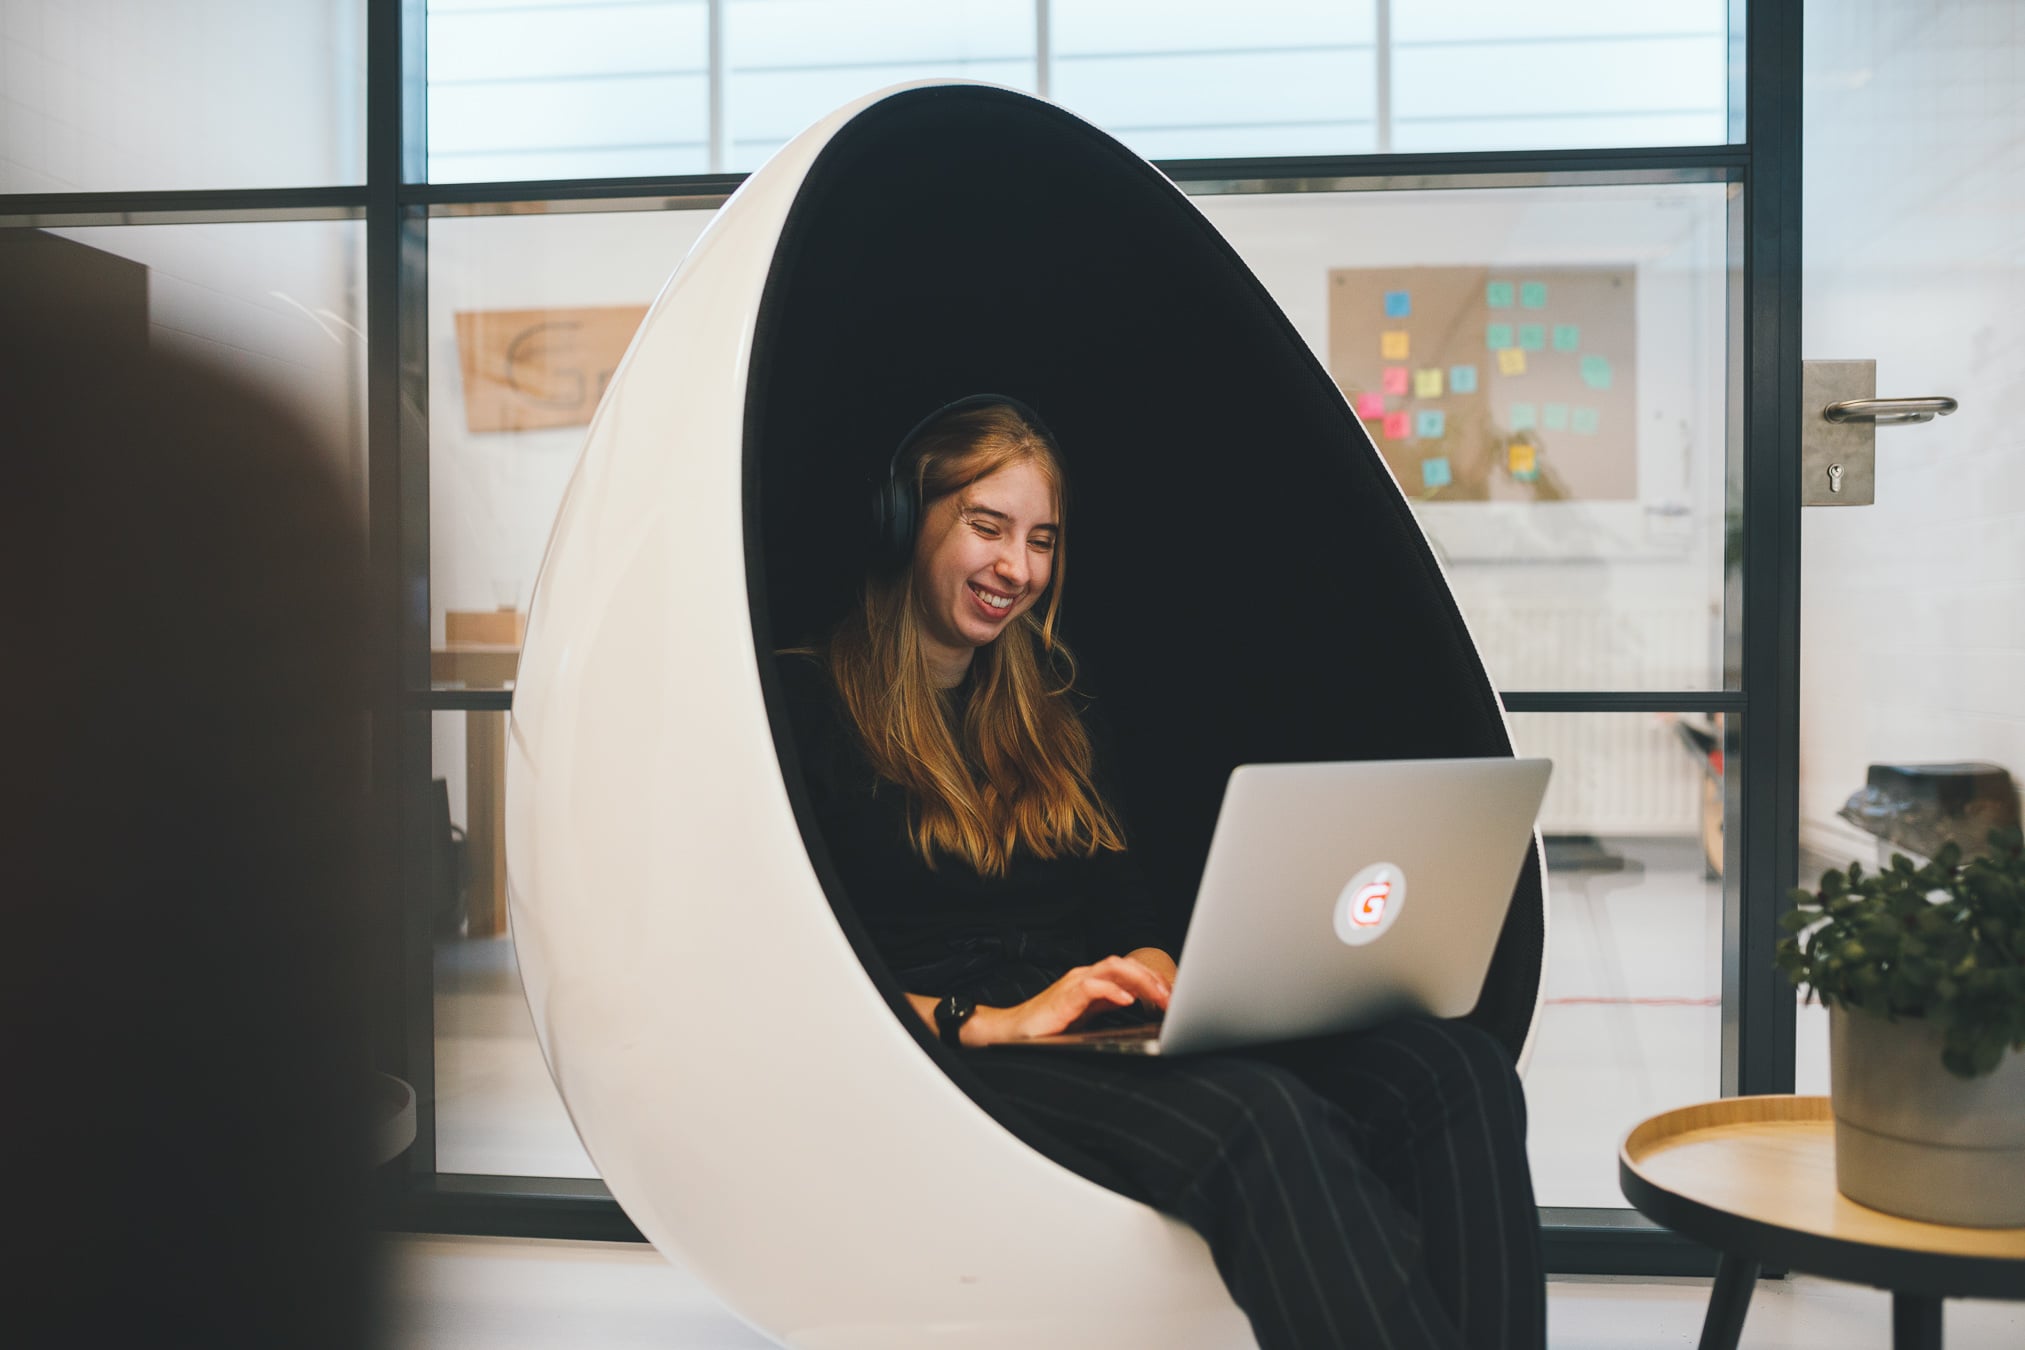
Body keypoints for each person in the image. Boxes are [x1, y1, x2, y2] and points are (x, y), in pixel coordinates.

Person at [774, 395, 1544, 1350]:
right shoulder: (802, 706)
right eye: (987, 527)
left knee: (1452, 1069)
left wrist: (1168, 978)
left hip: (1085, 1024)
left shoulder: (1054, 707)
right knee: (1256, 1116)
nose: (1018, 568)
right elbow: (795, 980)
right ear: (903, 521)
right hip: (954, 1049)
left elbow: (1126, 910)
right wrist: (998, 1020)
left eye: (1042, 539)